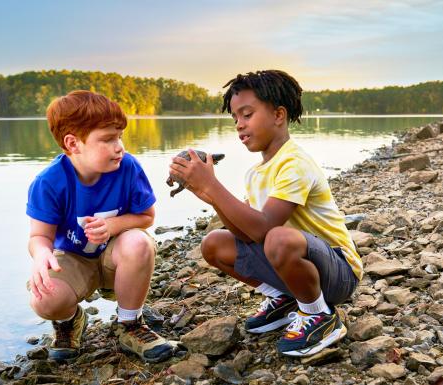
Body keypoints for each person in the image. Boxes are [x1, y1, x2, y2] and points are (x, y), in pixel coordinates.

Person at [169, 70, 363, 357]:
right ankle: (287, 298)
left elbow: (264, 229)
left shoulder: (295, 163)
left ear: (278, 115)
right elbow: (244, 232)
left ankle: (319, 316)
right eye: (235, 118)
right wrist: (206, 193)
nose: (239, 125)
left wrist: (213, 184)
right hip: (300, 266)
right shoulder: (255, 173)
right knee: (213, 244)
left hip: (339, 272)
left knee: (278, 239)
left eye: (247, 114)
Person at [26, 90, 173, 363]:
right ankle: (69, 321)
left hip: (115, 259)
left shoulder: (127, 167)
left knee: (139, 242)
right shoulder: (49, 182)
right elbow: (39, 236)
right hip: (73, 259)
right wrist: (41, 254)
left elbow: (146, 217)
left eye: (120, 136)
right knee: (43, 299)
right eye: (108, 139)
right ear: (73, 144)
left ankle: (129, 324)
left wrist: (114, 224)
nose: (120, 147)